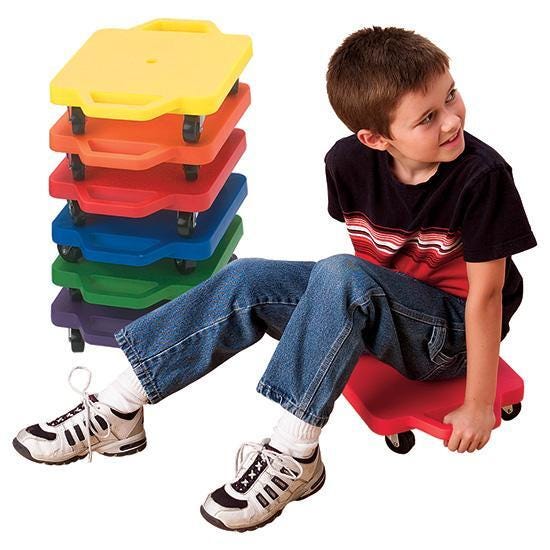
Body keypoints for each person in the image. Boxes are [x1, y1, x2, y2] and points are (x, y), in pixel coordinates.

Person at [13, 26, 537, 532]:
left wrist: (477, 405)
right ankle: (118, 407)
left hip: (452, 337)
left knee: (340, 273)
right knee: (247, 279)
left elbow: (488, 295)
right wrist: (353, 313)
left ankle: (295, 451)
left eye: (451, 95)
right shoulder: (346, 164)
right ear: (374, 138)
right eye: (427, 117)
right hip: (386, 309)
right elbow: (370, 263)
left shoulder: (483, 177)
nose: (451, 120)